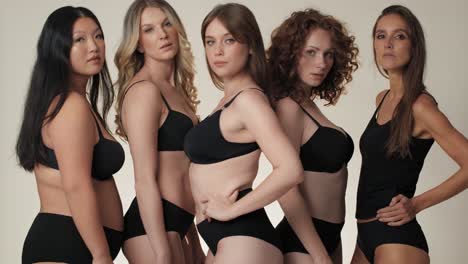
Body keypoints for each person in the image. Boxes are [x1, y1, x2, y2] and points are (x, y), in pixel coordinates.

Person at [184, 3, 304, 264]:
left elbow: (290, 169)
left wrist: (232, 211)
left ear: (250, 45)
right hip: (222, 239)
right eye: (210, 41)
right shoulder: (228, 100)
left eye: (229, 40)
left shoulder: (249, 101)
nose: (217, 50)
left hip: (243, 236)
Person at [351, 5, 468, 264]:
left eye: (399, 36)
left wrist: (417, 204)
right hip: (364, 234)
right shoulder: (382, 99)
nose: (388, 43)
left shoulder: (420, 106)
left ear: (414, 46)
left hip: (397, 239)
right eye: (381, 36)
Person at [17, 6, 125, 263]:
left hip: (75, 244)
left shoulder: (77, 102)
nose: (94, 46)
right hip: (66, 245)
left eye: (98, 36)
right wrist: (100, 254)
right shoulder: (70, 107)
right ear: (58, 48)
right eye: (80, 39)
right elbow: (76, 186)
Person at [114, 0, 203, 263]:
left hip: (179, 224)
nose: (162, 34)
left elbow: (181, 170)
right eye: (149, 29)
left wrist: (194, 239)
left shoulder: (174, 91)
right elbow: (144, 179)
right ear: (139, 43)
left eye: (167, 24)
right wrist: (162, 251)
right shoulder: (144, 91)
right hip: (151, 230)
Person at [267, 8, 358, 264]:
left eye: (329, 54)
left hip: (329, 237)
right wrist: (318, 254)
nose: (322, 63)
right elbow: (285, 187)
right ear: (290, 53)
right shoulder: (289, 107)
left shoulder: (306, 104)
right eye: (311, 52)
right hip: (304, 242)